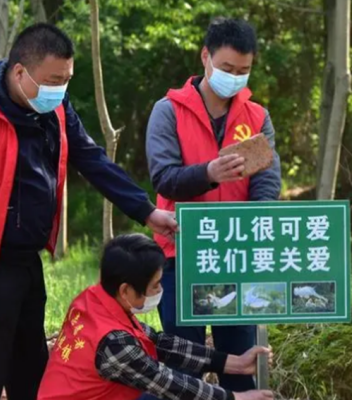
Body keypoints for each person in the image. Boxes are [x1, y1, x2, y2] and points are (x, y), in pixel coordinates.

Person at [0, 23, 178, 400]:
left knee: (33, 371)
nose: (60, 89)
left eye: (66, 80)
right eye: (53, 80)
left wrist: (146, 211)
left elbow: (92, 160)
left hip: (28, 265)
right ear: (19, 72)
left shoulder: (53, 108)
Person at [145, 17, 281, 393]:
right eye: (226, 68)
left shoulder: (257, 116)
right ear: (205, 57)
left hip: (236, 256)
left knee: (240, 361)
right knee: (182, 363)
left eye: (244, 71)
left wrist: (258, 218)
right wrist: (209, 172)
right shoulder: (168, 111)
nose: (235, 77)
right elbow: (164, 178)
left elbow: (267, 176)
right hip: (180, 254)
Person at [37, 233, 274, 400]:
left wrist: (235, 363)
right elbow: (169, 384)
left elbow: (161, 343)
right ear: (126, 290)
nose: (160, 291)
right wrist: (237, 397)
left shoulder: (95, 299)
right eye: (155, 285)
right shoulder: (114, 343)